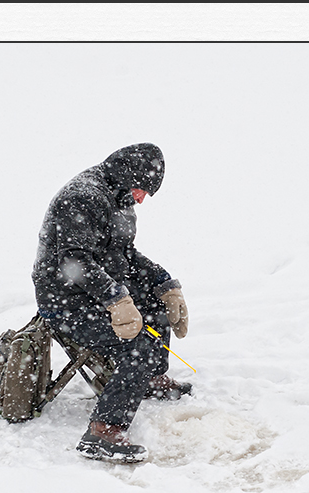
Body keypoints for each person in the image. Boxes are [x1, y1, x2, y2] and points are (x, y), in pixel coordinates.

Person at [31, 143, 191, 464]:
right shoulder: (82, 198)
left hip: (96, 291)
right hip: (65, 300)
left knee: (155, 304)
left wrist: (165, 283)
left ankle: (150, 378)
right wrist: (115, 299)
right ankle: (103, 431)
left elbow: (125, 256)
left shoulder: (119, 199)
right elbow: (73, 261)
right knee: (138, 344)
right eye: (140, 189)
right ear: (125, 176)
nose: (142, 198)